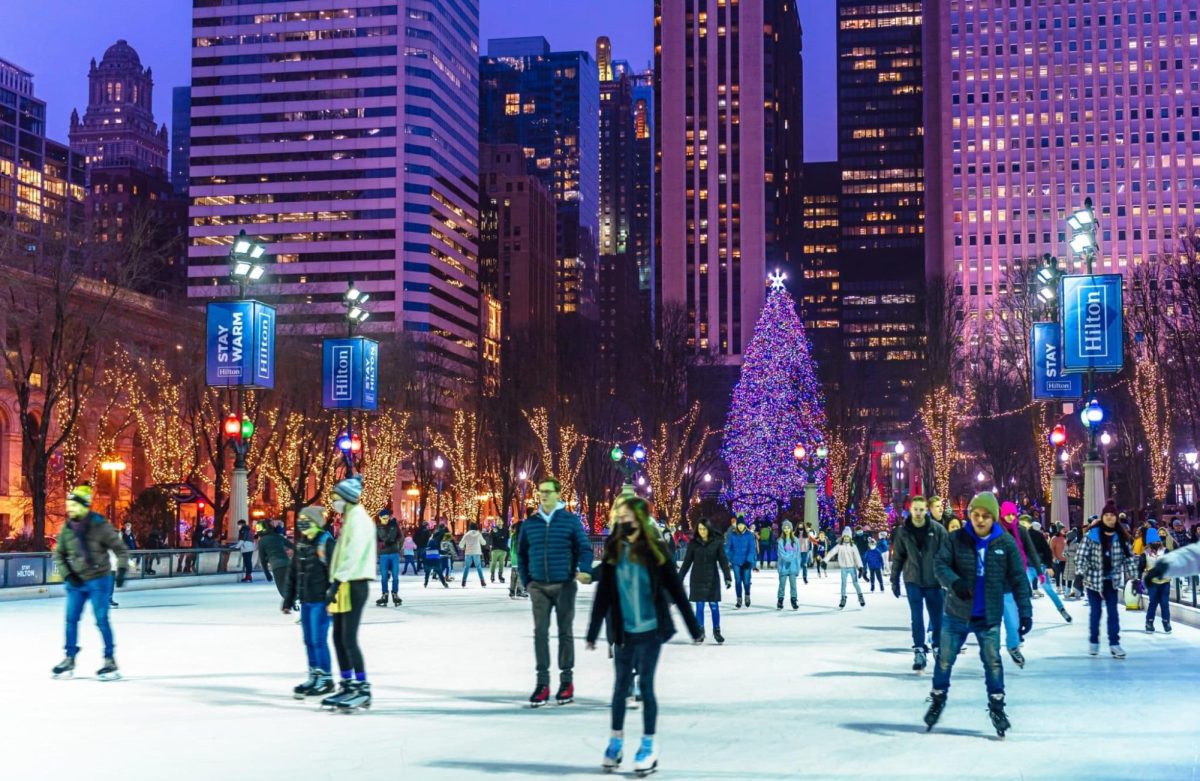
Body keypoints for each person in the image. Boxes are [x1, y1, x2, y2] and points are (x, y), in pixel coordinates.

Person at [586, 495, 703, 776]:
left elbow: (676, 590)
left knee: (646, 687)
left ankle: (648, 745)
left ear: (639, 519)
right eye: (619, 517)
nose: (622, 521)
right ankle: (615, 742)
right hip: (623, 632)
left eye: (627, 517)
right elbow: (603, 595)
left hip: (651, 631)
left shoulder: (655, 552)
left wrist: (693, 628)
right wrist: (592, 631)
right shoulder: (614, 551)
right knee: (620, 687)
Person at [923, 492, 1031, 737]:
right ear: (969, 515)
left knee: (992, 662)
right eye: (975, 515)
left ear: (993, 518)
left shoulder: (1005, 543)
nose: (980, 520)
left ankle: (997, 707)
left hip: (989, 616)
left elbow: (1018, 579)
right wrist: (955, 583)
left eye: (985, 516)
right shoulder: (956, 539)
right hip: (956, 614)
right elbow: (940, 565)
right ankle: (938, 698)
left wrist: (1025, 612)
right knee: (944, 659)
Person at [517, 476, 594, 707]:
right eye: (541, 491)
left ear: (559, 494)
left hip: (564, 585)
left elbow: (585, 549)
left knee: (564, 632)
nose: (544, 495)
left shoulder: (570, 521)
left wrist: (584, 569)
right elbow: (521, 554)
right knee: (540, 632)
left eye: (548, 491)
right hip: (538, 586)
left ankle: (566, 681)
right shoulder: (530, 523)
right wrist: (527, 581)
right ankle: (542, 683)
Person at [51, 485, 129, 680]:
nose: (70, 509)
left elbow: (120, 549)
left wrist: (121, 569)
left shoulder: (99, 525)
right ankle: (70, 657)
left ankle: (109, 659)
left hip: (99, 580)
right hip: (76, 583)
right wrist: (68, 575)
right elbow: (58, 554)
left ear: (85, 506)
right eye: (69, 505)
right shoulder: (67, 529)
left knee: (101, 619)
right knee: (70, 619)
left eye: (74, 505)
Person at [320, 476, 377, 710]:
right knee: (338, 637)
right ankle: (347, 684)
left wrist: (337, 582)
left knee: (348, 638)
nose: (334, 502)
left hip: (354, 583)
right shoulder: (351, 518)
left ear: (347, 498)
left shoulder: (359, 519)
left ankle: (362, 688)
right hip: (345, 583)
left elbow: (353, 554)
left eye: (336, 498)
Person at [283, 506, 336, 699]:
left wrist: (332, 598)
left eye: (305, 519)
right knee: (308, 641)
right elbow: (293, 572)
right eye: (300, 519)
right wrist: (288, 599)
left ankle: (326, 678)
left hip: (322, 601)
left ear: (315, 521)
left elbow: (335, 573)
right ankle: (314, 674)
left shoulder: (325, 542)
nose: (301, 523)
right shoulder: (302, 543)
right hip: (306, 600)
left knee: (318, 640)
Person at [890, 495, 948, 672]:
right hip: (912, 579)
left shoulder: (937, 530)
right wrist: (895, 580)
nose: (918, 513)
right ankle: (919, 649)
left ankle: (937, 647)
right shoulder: (903, 532)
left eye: (921, 509)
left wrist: (948, 578)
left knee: (937, 616)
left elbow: (947, 555)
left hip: (933, 580)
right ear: (910, 510)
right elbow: (899, 556)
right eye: (915, 509)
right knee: (916, 616)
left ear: (926, 510)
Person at [1076, 502, 1138, 659]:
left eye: (1112, 516)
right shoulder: (1092, 535)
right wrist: (1079, 574)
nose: (1109, 518)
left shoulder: (1122, 536)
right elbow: (1081, 556)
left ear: (1116, 518)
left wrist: (1135, 578)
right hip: (1093, 580)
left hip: (1112, 580)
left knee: (1113, 612)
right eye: (1106, 515)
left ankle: (1114, 644)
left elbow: (1129, 559)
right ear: (1102, 517)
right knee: (1096, 612)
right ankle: (1094, 641)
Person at [994, 502, 1038, 668]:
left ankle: (1013, 646)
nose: (1011, 517)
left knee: (1013, 622)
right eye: (1008, 514)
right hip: (996, 584)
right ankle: (993, 655)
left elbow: (1030, 551)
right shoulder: (996, 532)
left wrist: (1040, 570)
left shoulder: (1021, 531)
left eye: (1013, 514)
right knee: (993, 624)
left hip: (1014, 580)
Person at [678, 518, 732, 643]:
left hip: (712, 578)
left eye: (704, 529)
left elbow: (723, 561)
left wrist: (727, 577)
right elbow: (686, 563)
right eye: (700, 529)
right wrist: (679, 579)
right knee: (700, 606)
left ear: (708, 529)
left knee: (714, 606)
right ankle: (700, 631)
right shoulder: (693, 544)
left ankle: (717, 631)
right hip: (697, 578)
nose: (702, 531)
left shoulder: (716, 542)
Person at [1024, 517, 1070, 622]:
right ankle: (1061, 608)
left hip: (1031, 567)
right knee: (1048, 589)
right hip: (1040, 567)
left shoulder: (1024, 535)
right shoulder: (1039, 536)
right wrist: (1048, 565)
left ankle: (1022, 612)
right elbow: (1047, 551)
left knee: (1022, 588)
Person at [1142, 528, 1171, 634]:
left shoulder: (1165, 551)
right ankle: (1149, 622)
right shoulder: (1145, 553)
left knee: (1164, 603)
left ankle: (1166, 622)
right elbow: (1141, 566)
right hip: (1152, 582)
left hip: (1165, 582)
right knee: (1153, 602)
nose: (1156, 543)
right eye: (1153, 541)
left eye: (1157, 541)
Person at [827, 527, 865, 609]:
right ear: (843, 537)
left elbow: (857, 557)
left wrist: (860, 567)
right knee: (843, 584)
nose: (846, 538)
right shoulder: (839, 546)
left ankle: (860, 597)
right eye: (845, 536)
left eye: (848, 536)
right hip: (843, 568)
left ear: (850, 537)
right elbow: (831, 552)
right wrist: (824, 561)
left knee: (855, 583)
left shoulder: (853, 546)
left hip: (852, 568)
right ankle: (843, 598)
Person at [724, 516, 757, 608]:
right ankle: (739, 599)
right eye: (739, 524)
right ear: (737, 525)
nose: (741, 526)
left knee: (746, 581)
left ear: (744, 525)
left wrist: (749, 560)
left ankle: (747, 595)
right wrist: (730, 558)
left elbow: (752, 549)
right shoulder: (732, 535)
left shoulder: (750, 535)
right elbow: (727, 548)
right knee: (738, 581)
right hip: (736, 562)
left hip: (746, 561)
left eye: (742, 524)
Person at [257, 519, 293, 600]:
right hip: (288, 564)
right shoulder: (278, 537)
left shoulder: (262, 541)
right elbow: (292, 546)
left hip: (277, 567)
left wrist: (267, 574)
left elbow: (262, 560)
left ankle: (291, 603)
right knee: (291, 584)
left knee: (282, 588)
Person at [376, 510, 402, 606]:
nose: (386, 520)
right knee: (384, 577)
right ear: (380, 518)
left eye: (387, 518)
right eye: (384, 518)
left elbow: (400, 537)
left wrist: (397, 546)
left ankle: (395, 593)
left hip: (394, 553)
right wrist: (380, 544)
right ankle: (385, 594)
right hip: (384, 554)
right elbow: (375, 539)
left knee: (395, 576)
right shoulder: (377, 527)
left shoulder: (394, 525)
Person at [776, 520, 802, 610]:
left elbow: (798, 555)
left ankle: (794, 601)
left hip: (793, 567)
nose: (786, 529)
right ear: (783, 529)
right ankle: (780, 600)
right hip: (783, 567)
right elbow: (782, 554)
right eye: (785, 528)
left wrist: (798, 568)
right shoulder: (780, 541)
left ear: (791, 529)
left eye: (788, 528)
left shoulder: (796, 540)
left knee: (793, 585)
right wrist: (791, 556)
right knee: (782, 585)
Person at [459, 522, 488, 587]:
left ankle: (463, 582)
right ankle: (482, 581)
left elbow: (461, 545)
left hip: (468, 552)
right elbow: (484, 543)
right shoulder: (478, 534)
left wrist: (464, 547)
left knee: (466, 567)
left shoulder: (466, 534)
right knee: (478, 567)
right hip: (476, 552)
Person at [423, 524, 449, 588]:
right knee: (440, 574)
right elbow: (441, 551)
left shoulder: (426, 549)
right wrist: (446, 552)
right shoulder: (436, 548)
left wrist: (423, 562)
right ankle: (444, 583)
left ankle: (426, 583)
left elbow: (422, 556)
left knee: (427, 573)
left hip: (428, 563)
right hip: (436, 563)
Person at [1049, 525, 1068, 591]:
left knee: (1064, 573)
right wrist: (1054, 557)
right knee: (1057, 573)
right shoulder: (1054, 538)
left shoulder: (1065, 537)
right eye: (1062, 529)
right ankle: (1058, 587)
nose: (1064, 530)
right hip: (1057, 559)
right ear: (1059, 530)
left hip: (1065, 559)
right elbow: (1051, 549)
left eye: (1064, 529)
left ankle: (1064, 586)